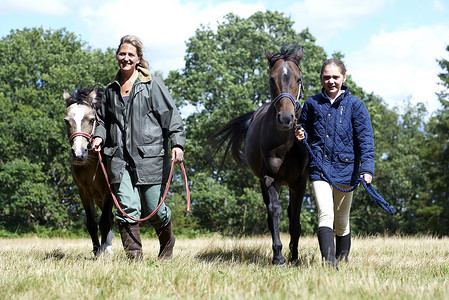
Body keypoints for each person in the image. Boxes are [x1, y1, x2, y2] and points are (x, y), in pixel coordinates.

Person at [91, 35, 186, 260]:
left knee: (154, 209)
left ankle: (167, 245)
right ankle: (135, 258)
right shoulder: (110, 90)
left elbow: (171, 116)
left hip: (150, 157)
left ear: (138, 58)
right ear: (117, 56)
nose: (125, 58)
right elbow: (104, 122)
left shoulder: (152, 85)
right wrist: (98, 137)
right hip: (118, 158)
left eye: (130, 54)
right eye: (122, 54)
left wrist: (177, 143)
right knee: (126, 209)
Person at [295, 58, 374, 266]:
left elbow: (365, 139)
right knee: (325, 213)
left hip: (347, 169)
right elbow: (304, 129)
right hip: (319, 168)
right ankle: (329, 264)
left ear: (344, 78)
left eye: (335, 77)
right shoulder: (311, 104)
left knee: (341, 220)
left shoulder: (356, 105)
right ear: (321, 78)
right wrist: (301, 134)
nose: (331, 81)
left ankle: (343, 259)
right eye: (326, 77)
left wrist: (367, 169)